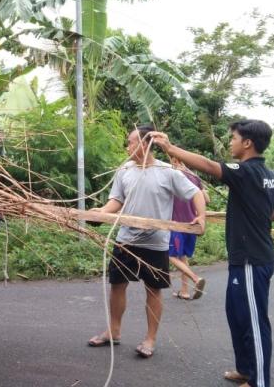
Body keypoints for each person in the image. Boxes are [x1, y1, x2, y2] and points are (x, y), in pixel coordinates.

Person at [150, 120, 274, 387]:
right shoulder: (267, 175)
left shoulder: (245, 171)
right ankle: (246, 370)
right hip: (245, 258)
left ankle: (260, 381)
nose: (230, 142)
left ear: (247, 143)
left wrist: (170, 147)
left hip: (252, 260)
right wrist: (262, 220)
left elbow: (210, 166)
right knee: (237, 314)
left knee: (254, 321)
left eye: (234, 138)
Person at [88, 125, 206, 358]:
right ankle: (114, 330)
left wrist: (200, 216)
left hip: (155, 243)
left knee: (153, 290)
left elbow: (196, 193)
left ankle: (150, 339)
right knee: (117, 286)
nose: (128, 146)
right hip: (125, 240)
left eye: (131, 142)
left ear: (146, 144)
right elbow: (116, 200)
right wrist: (101, 213)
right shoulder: (124, 170)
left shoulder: (168, 172)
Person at [169, 159, 210, 300]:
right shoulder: (194, 176)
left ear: (174, 159)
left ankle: (195, 278)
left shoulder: (172, 175)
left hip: (177, 224)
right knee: (182, 257)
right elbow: (207, 199)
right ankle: (185, 291)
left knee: (170, 255)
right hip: (192, 224)